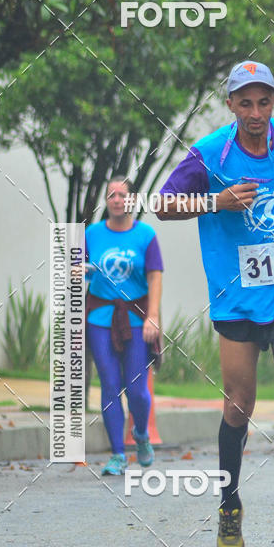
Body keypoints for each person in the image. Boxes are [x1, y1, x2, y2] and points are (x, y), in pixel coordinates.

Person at [157, 60, 274, 547]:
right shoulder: (210, 153)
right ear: (230, 104)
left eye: (264, 101)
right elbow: (164, 205)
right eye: (246, 102)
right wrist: (217, 201)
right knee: (239, 403)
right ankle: (229, 502)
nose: (256, 112)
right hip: (235, 298)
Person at [85, 176, 164, 475]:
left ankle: (141, 433)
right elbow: (83, 270)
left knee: (137, 390)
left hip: (135, 318)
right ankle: (117, 454)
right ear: (106, 201)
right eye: (111, 195)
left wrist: (152, 316)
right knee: (109, 385)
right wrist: (79, 271)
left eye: (122, 195)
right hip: (100, 318)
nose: (117, 200)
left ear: (131, 200)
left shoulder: (146, 235)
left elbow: (155, 276)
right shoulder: (92, 233)